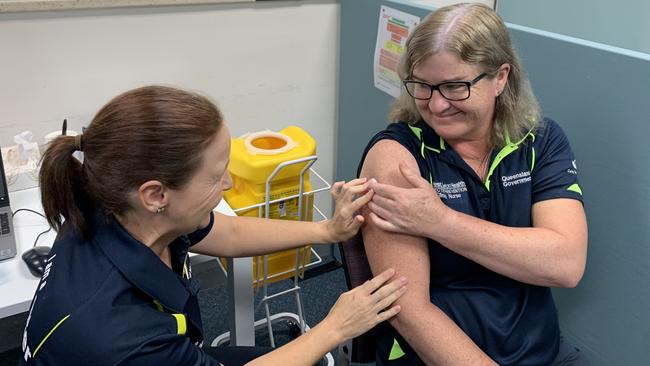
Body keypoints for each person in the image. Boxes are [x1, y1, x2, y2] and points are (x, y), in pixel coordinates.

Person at [20, 85, 407, 366]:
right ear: (156, 195)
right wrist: (335, 328)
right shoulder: (120, 337)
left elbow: (229, 232)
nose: (227, 184)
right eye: (217, 175)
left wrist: (327, 232)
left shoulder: (119, 206)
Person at [358, 3, 588, 365]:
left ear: (500, 78)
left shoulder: (540, 141)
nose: (435, 105)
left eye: (454, 86)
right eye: (422, 86)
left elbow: (565, 264)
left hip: (539, 347)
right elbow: (408, 307)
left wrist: (442, 223)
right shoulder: (398, 156)